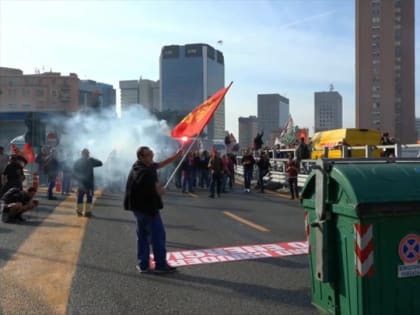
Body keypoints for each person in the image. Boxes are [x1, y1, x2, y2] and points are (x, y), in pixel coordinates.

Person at [124, 146, 182, 274]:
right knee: (158, 236)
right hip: (147, 209)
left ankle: (143, 264)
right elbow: (154, 188)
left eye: (152, 153)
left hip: (138, 208)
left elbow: (159, 165)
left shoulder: (140, 166)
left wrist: (175, 156)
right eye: (149, 155)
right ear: (141, 157)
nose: (152, 156)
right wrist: (160, 191)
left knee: (143, 236)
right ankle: (160, 265)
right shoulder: (145, 172)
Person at [73, 148, 103, 217]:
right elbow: (100, 163)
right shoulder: (90, 161)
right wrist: (92, 159)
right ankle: (87, 212)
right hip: (89, 183)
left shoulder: (77, 161)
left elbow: (74, 172)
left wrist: (76, 180)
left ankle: (79, 212)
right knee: (89, 197)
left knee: (80, 197)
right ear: (87, 154)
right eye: (88, 153)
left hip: (81, 183)